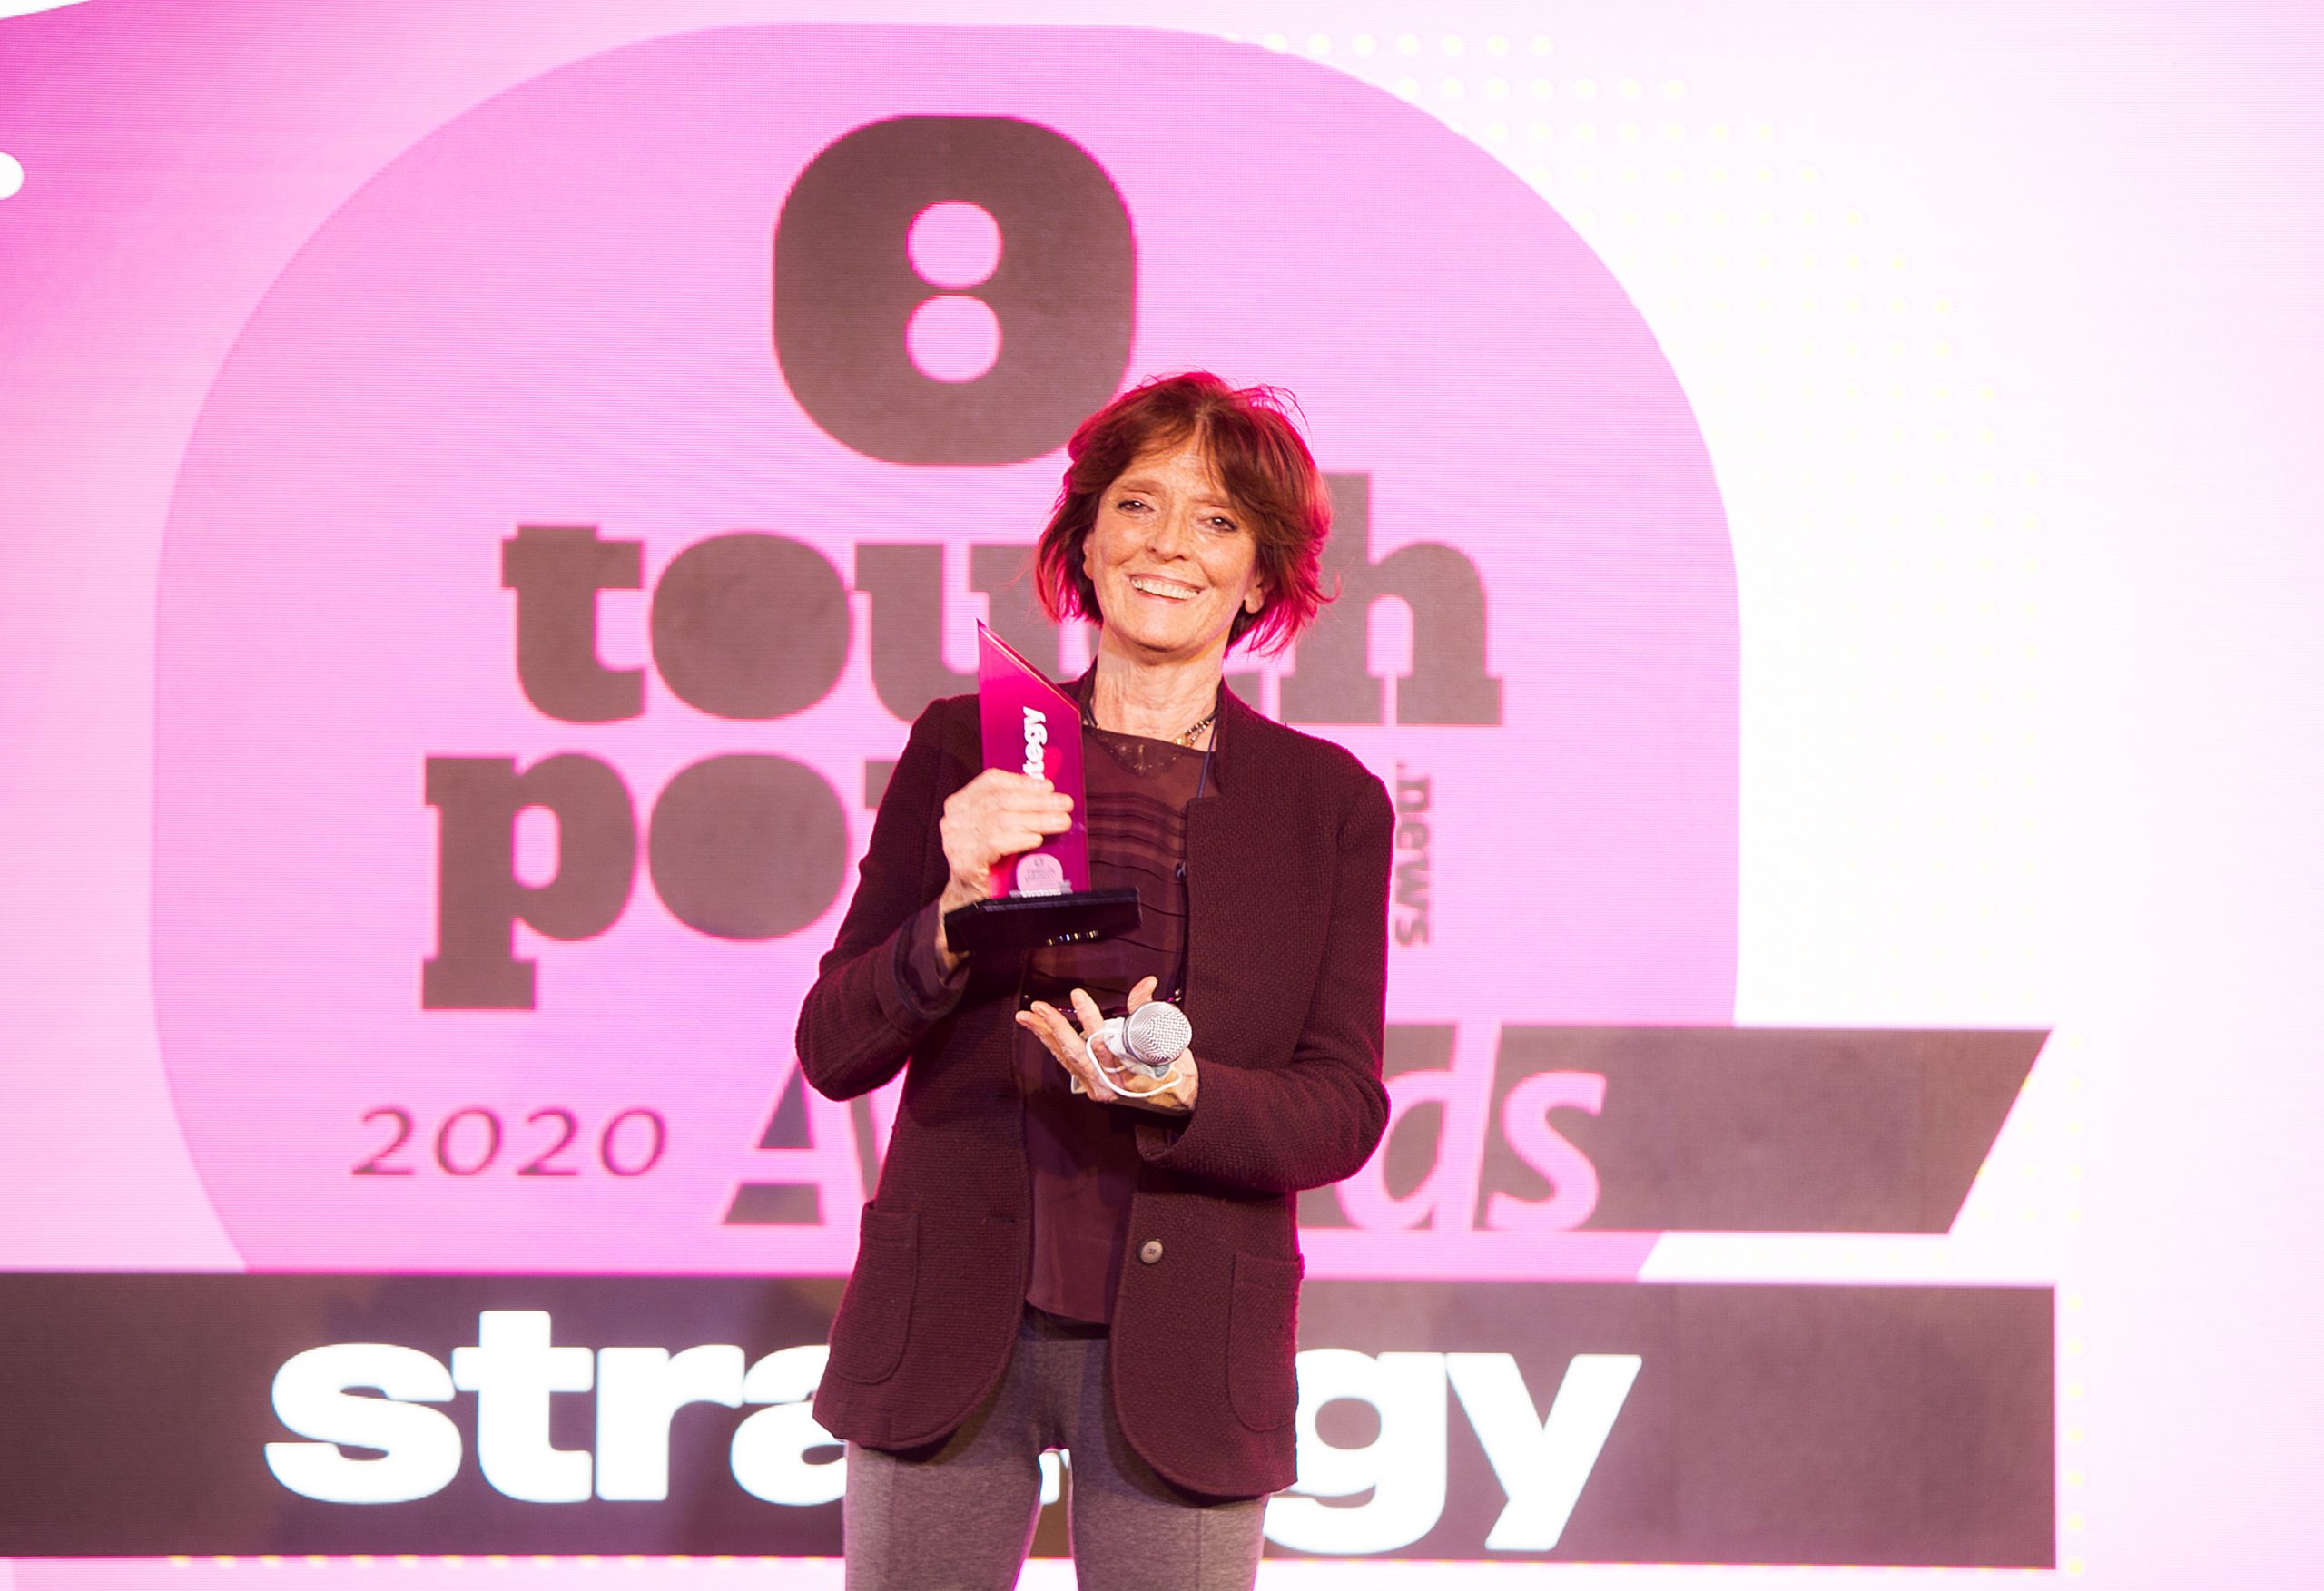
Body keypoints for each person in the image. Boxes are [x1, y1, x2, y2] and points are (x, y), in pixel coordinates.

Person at [796, 371, 1393, 1590]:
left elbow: (1342, 1106)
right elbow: (833, 1045)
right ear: (1083, 538)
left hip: (1188, 1348)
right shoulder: (962, 746)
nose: (1168, 544)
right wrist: (952, 910)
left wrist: (1186, 1092)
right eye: (1137, 504)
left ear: (1261, 577)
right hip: (950, 1316)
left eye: (1217, 520)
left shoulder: (1327, 803)